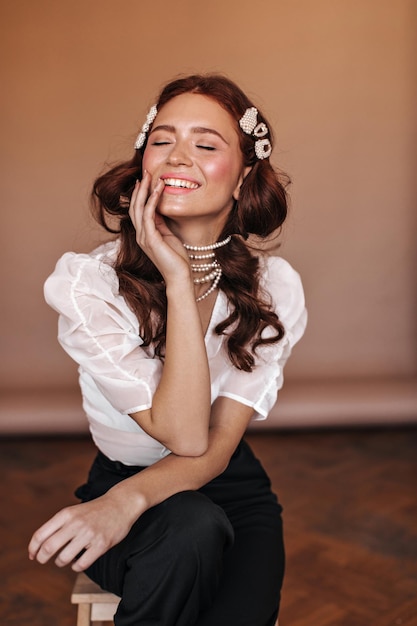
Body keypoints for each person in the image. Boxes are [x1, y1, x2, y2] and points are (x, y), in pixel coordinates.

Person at [28, 74, 307, 626]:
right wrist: (177, 281)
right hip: (127, 483)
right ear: (142, 164)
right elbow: (180, 431)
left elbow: (212, 445)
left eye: (206, 145)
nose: (179, 157)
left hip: (231, 487)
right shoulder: (91, 286)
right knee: (189, 528)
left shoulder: (274, 285)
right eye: (162, 140)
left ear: (243, 178)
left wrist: (121, 506)